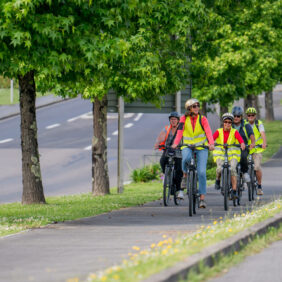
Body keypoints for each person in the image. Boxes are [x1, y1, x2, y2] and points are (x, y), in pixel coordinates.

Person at [171, 98, 214, 208]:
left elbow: (208, 131)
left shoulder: (203, 119)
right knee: (185, 159)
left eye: (198, 106)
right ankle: (185, 175)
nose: (197, 108)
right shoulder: (183, 119)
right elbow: (179, 132)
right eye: (194, 106)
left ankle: (202, 198)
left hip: (201, 147)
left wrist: (211, 143)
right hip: (187, 146)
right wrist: (175, 143)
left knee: (202, 172)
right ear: (189, 108)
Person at [213, 113, 245, 199]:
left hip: (232, 155)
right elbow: (212, 139)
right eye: (225, 122)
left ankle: (234, 191)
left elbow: (240, 140)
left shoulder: (234, 132)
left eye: (229, 122)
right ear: (223, 123)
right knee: (219, 168)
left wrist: (242, 144)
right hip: (221, 154)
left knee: (233, 169)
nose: (227, 124)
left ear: (232, 124)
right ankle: (218, 179)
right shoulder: (218, 131)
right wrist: (210, 144)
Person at [154, 112, 183, 198]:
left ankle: (179, 190)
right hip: (168, 150)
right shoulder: (166, 128)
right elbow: (161, 137)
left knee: (179, 169)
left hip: (178, 151)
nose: (173, 121)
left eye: (175, 119)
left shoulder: (181, 129)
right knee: (162, 161)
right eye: (171, 119)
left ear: (178, 120)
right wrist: (157, 143)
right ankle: (166, 176)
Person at [232, 106, 255, 187]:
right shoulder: (229, 124)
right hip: (232, 147)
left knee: (243, 156)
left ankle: (245, 172)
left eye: (238, 116)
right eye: (234, 116)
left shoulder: (246, 125)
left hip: (243, 147)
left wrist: (252, 143)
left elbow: (251, 135)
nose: (236, 118)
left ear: (241, 117)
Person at [245, 107, 267, 195]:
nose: (250, 117)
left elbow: (262, 134)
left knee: (257, 167)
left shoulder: (259, 124)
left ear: (255, 116)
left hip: (257, 148)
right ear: (246, 116)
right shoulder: (244, 124)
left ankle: (259, 186)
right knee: (241, 165)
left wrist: (264, 143)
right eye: (249, 115)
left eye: (252, 115)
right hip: (247, 148)